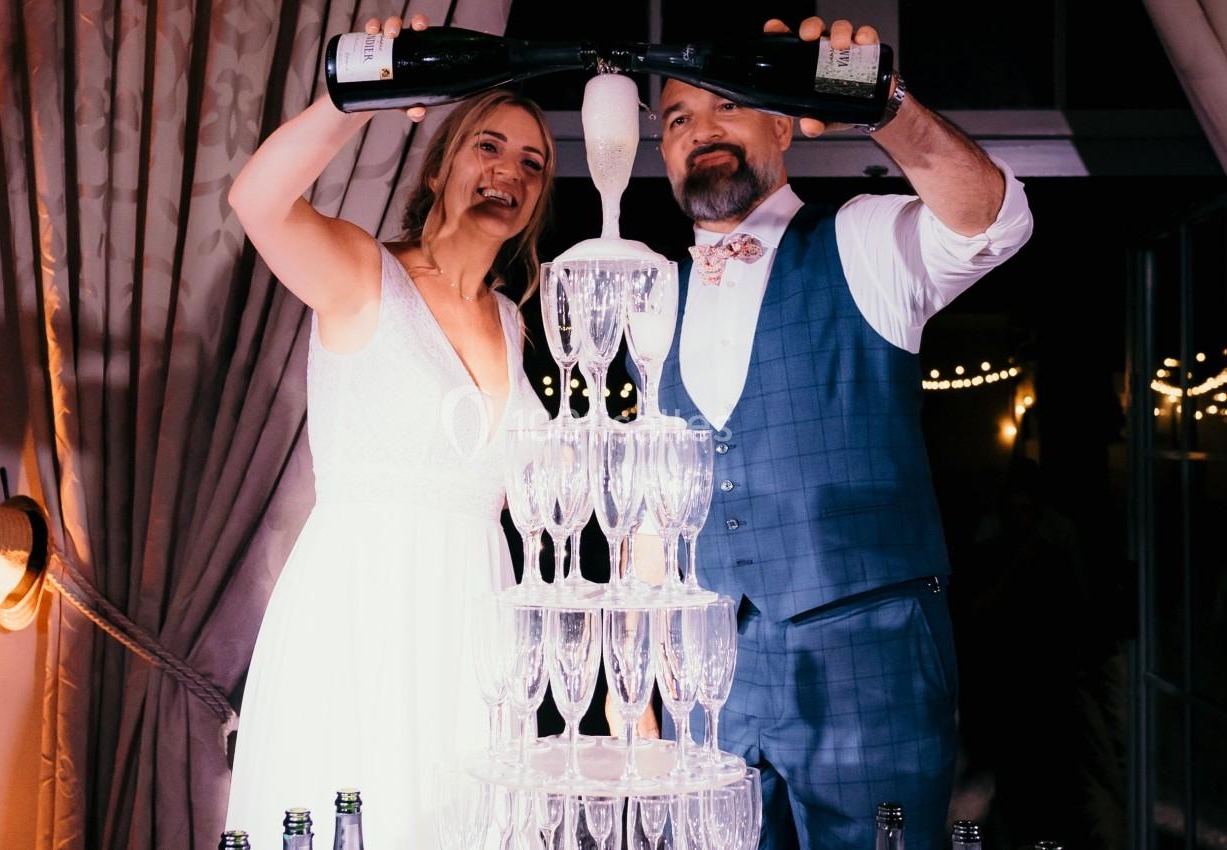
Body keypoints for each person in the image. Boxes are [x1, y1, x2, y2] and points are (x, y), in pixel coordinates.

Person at [622, 14, 1034, 850]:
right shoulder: (646, 301)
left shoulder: (862, 240)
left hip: (869, 670)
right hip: (706, 685)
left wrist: (885, 105)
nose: (700, 130)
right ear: (661, 155)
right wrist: (637, 696)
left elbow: (995, 222)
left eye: (727, 106)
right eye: (676, 119)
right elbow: (649, 515)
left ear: (781, 123)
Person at [222, 15, 554, 847]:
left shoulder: (517, 327)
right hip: (360, 623)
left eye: (531, 163)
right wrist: (356, 94)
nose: (507, 171)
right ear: (440, 165)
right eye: (487, 146)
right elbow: (255, 200)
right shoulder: (362, 272)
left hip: (479, 638)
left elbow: (551, 500)